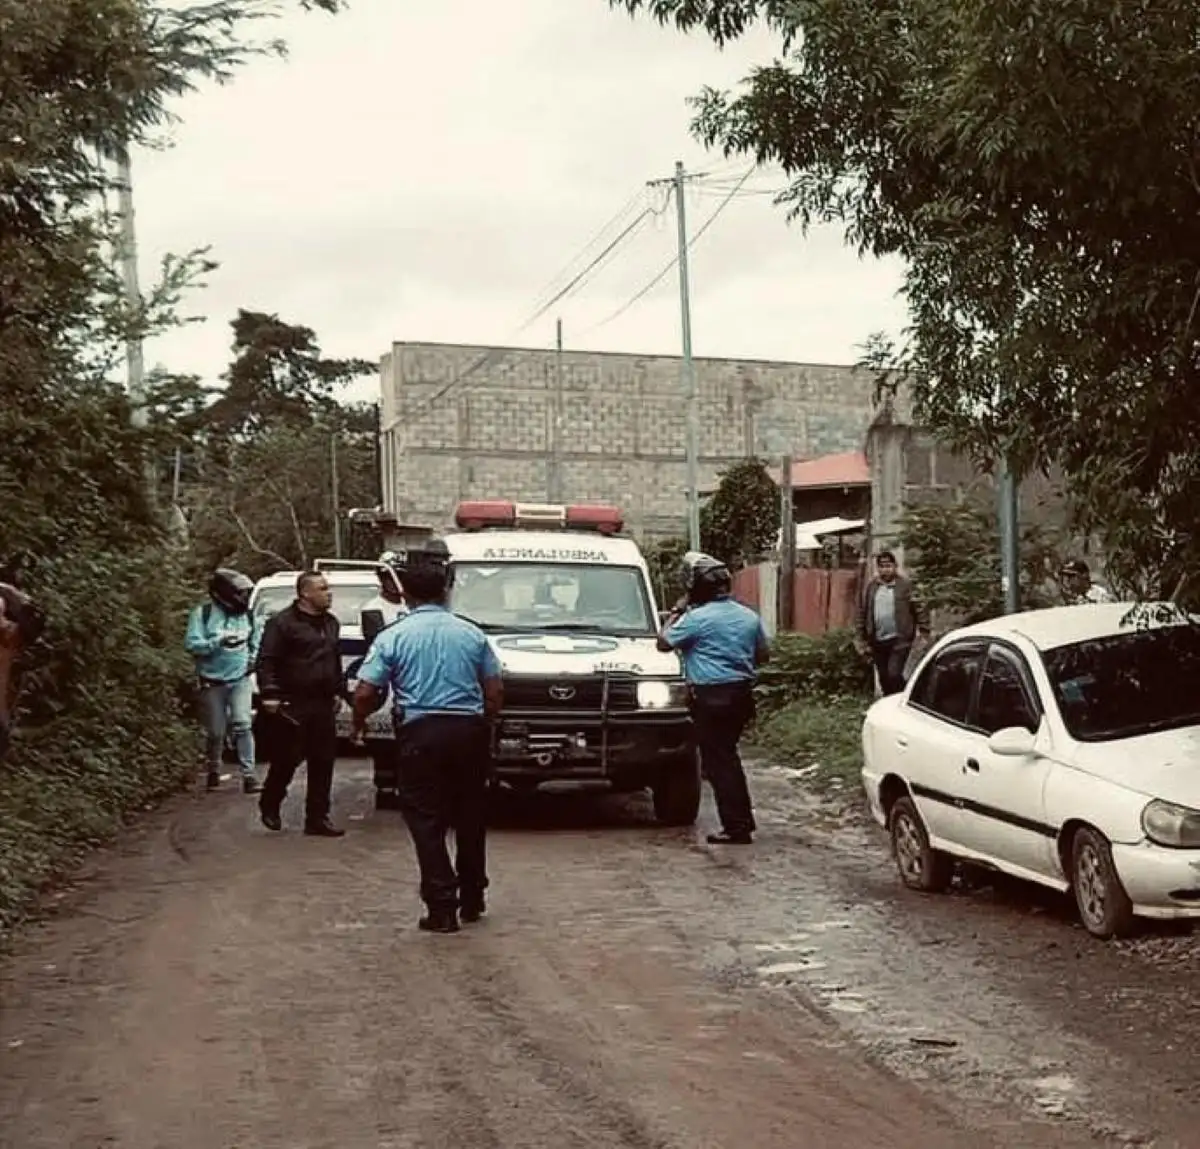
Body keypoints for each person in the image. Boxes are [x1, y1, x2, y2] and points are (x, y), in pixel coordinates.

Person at [351, 541, 503, 933]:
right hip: (468, 732)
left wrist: (359, 721)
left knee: (425, 819)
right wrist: (484, 722)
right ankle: (473, 894)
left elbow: (365, 692)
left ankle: (441, 905)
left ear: (405, 593)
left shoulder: (393, 637)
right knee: (470, 815)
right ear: (446, 590)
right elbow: (494, 690)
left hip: (420, 733)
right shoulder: (472, 634)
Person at [657, 551, 770, 846]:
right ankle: (741, 821)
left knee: (720, 763)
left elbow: (663, 643)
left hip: (711, 697)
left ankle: (736, 827)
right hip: (741, 695)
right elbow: (763, 655)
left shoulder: (696, 619)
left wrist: (675, 613)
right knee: (728, 757)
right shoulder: (748, 616)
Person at [255, 570, 344, 837]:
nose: (328, 593)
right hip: (292, 700)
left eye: (327, 588)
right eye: (322, 588)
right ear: (305, 593)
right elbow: (267, 660)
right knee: (287, 758)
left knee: (323, 760)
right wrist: (269, 693)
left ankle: (317, 818)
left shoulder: (331, 623)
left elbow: (334, 659)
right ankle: (270, 802)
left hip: (322, 700)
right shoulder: (282, 623)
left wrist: (338, 690)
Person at [185, 568, 259, 793]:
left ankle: (249, 775)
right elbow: (192, 644)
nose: (244, 598)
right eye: (240, 593)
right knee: (216, 731)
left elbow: (256, 643)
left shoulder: (247, 616)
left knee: (243, 724)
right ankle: (214, 769)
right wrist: (216, 642)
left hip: (240, 679)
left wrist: (252, 660)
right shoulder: (203, 614)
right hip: (212, 681)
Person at [857, 550, 930, 696]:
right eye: (882, 566)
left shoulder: (905, 585)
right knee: (884, 678)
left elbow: (919, 607)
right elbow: (863, 611)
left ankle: (907, 697)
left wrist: (924, 630)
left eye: (888, 566)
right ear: (878, 568)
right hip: (877, 640)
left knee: (894, 674)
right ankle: (891, 701)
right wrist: (861, 636)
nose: (885, 570)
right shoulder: (872, 587)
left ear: (895, 566)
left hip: (900, 639)